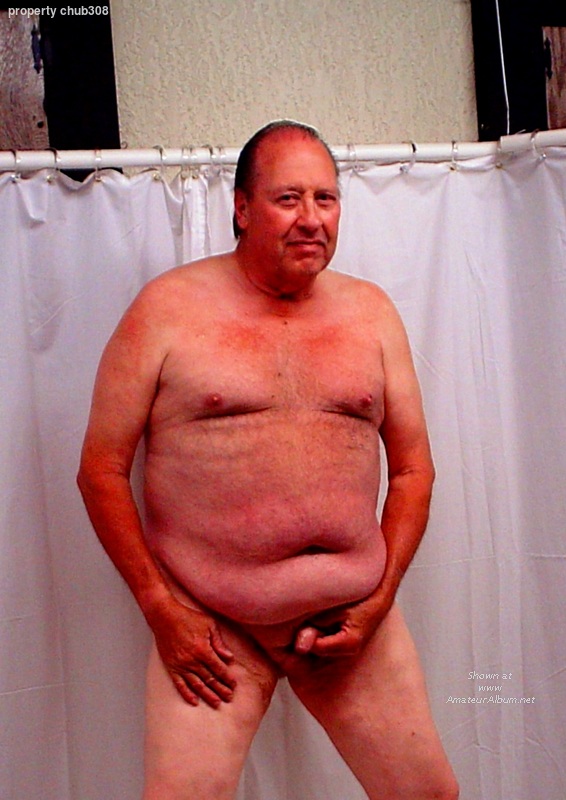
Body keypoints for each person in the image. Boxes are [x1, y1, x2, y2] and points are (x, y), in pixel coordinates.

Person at [77, 120, 459, 800]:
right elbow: (100, 470)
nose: (311, 218)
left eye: (325, 198)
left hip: (348, 618)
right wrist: (162, 609)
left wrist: (378, 602)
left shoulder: (371, 313)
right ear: (242, 208)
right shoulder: (167, 309)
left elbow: (412, 471)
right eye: (288, 199)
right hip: (212, 626)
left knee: (427, 796)